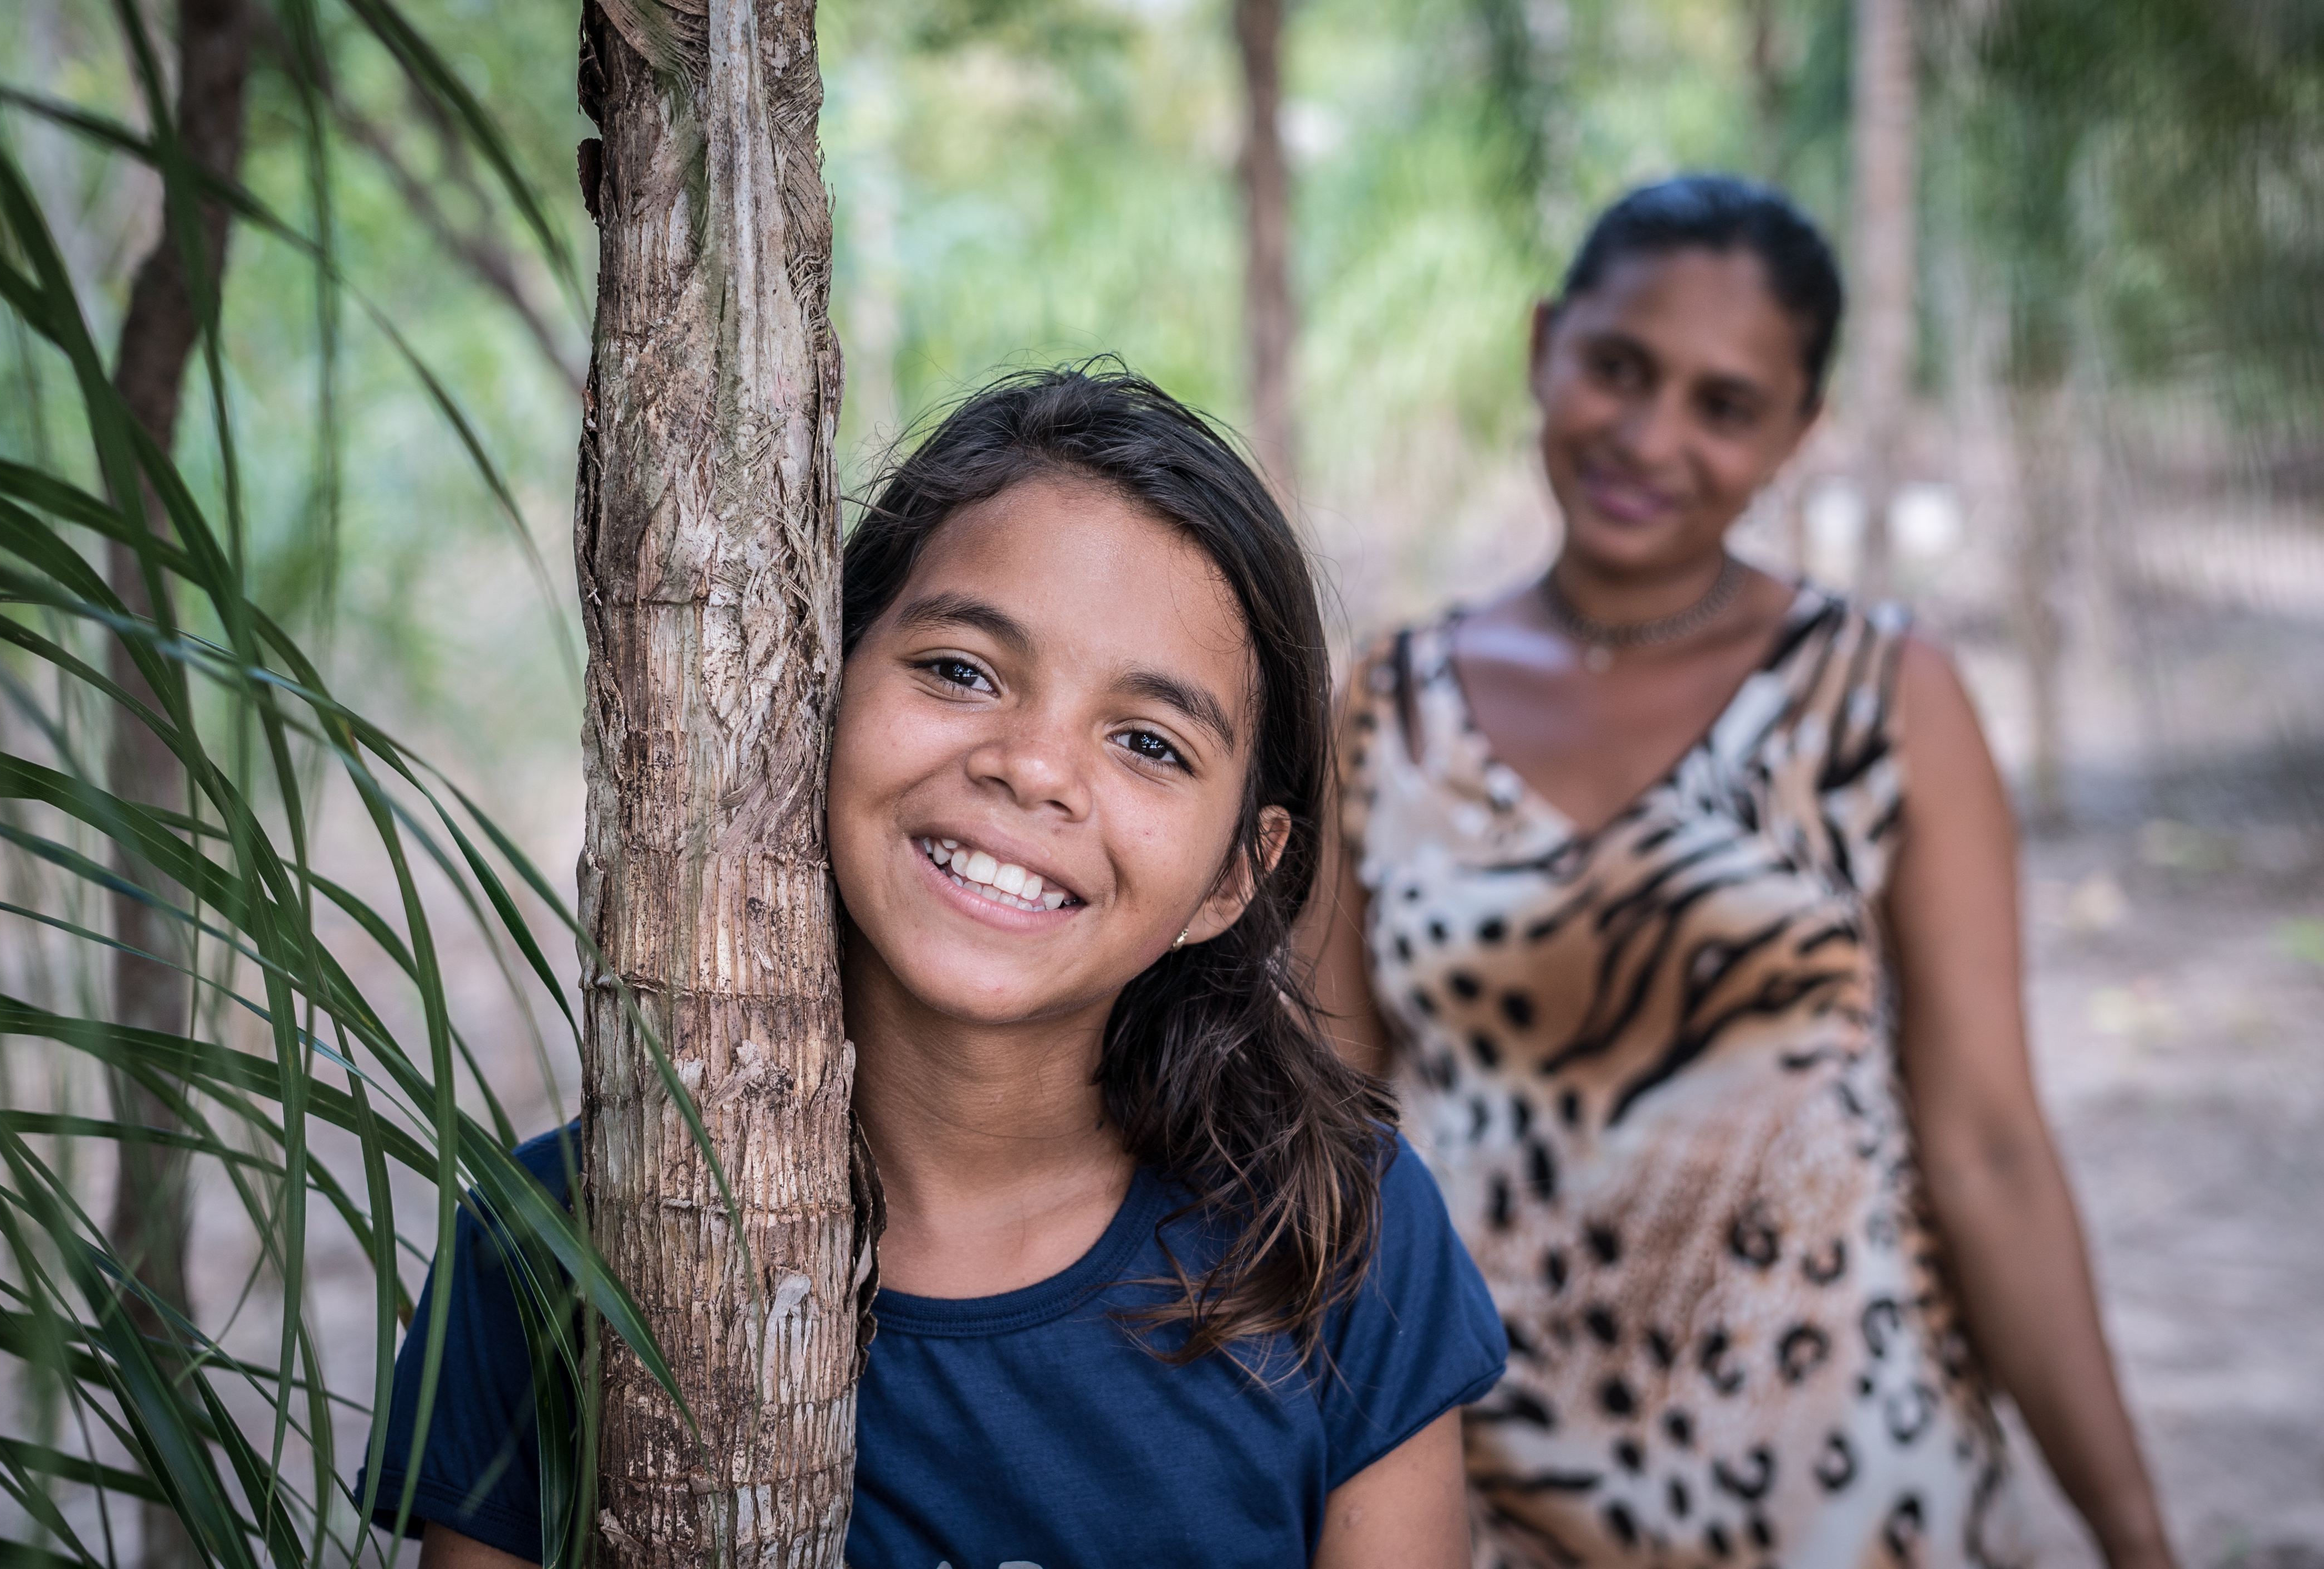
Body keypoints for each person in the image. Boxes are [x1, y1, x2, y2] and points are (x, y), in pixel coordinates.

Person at [358, 366, 1507, 1568]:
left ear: (1233, 876)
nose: (1033, 768)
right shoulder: (552, 1252)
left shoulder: (1337, 1234)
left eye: (1147, 743)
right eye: (961, 670)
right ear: (815, 687)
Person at [1308, 177, 2174, 1569]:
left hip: (1850, 1480)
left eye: (1722, 406)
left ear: (1795, 435)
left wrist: (2131, 1531)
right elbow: (1327, 1130)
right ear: (1544, 346)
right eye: (1616, 369)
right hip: (1491, 1483)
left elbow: (1987, 1143)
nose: (1649, 438)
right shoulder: (1391, 705)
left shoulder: (1882, 696)